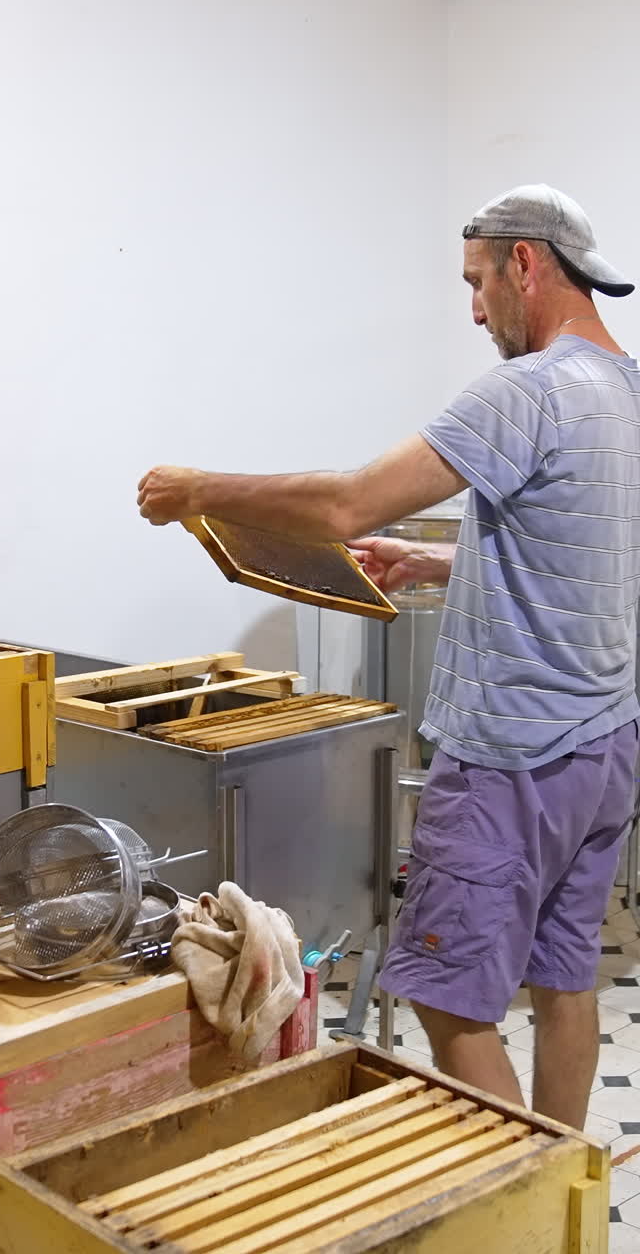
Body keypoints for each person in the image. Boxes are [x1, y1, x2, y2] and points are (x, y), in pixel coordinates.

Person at [137, 184, 640, 1130]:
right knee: (565, 979)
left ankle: (522, 1179)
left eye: (477, 282)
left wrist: (199, 488)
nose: (476, 310)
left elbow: (348, 503)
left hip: (510, 756)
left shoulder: (527, 388)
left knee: (449, 1000)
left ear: (524, 263)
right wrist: (444, 560)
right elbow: (589, 545)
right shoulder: (625, 389)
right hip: (604, 746)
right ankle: (569, 1187)